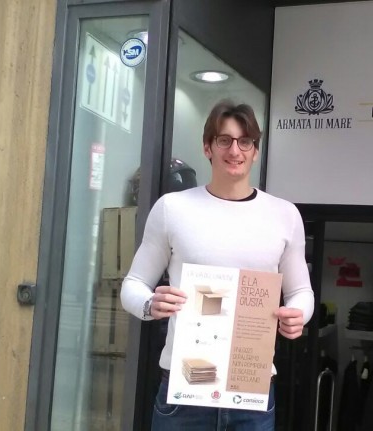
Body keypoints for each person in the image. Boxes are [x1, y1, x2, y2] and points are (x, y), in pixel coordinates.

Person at [120, 100, 315, 431]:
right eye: (224, 140)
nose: (235, 150)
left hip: (250, 392)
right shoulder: (172, 208)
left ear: (255, 151)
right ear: (207, 147)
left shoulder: (285, 215)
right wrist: (151, 304)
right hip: (185, 392)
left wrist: (299, 314)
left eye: (245, 141)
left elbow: (301, 291)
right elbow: (133, 285)